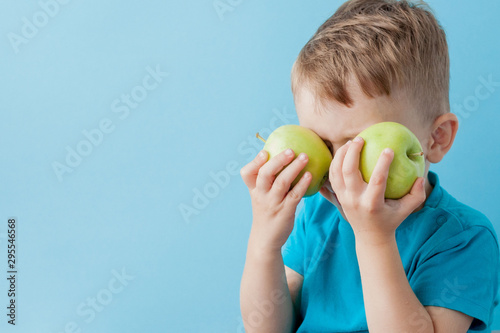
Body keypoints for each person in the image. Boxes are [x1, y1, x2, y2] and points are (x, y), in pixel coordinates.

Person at [239, 0, 499, 332]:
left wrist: (374, 237)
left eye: (357, 143)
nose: (335, 170)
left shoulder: (463, 239)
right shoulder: (319, 214)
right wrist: (265, 242)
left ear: (436, 138)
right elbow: (267, 327)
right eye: (322, 144)